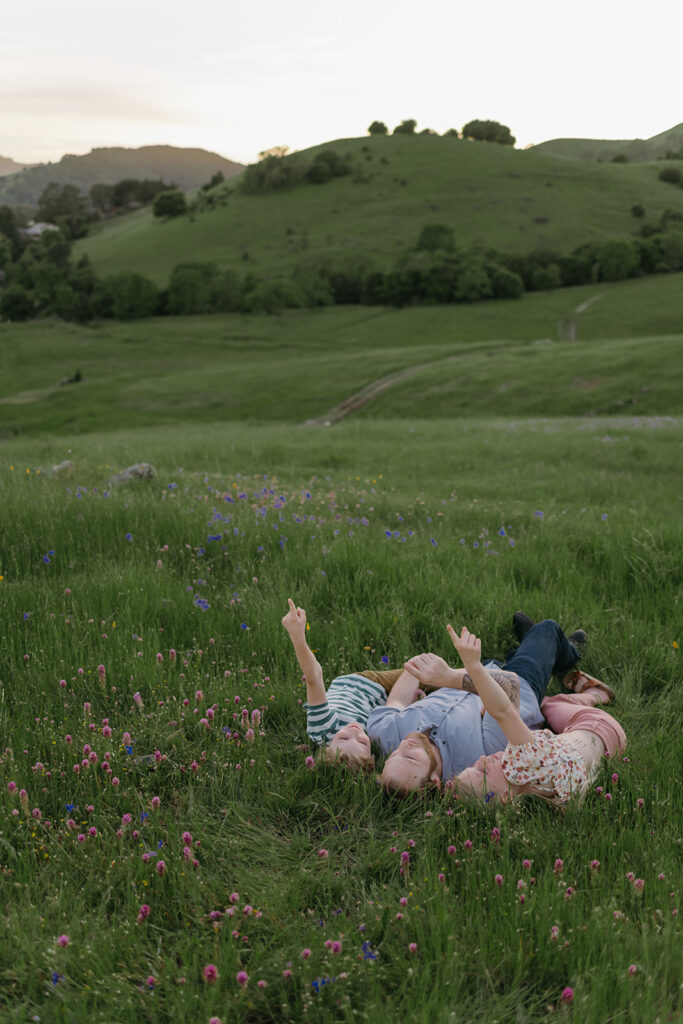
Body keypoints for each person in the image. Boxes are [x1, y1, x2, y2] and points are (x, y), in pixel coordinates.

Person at [281, 598, 521, 769]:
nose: (355, 733)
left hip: (366, 686)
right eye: (362, 744)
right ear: (371, 757)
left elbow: (314, 676)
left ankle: (490, 669)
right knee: (447, 688)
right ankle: (492, 670)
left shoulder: (322, 728)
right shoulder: (377, 749)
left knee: (432, 672)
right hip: (381, 704)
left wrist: (297, 636)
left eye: (343, 739)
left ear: (327, 744)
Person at [373, 617, 591, 793]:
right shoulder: (480, 759)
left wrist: (419, 665)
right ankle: (566, 651)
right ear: (434, 781)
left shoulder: (386, 734)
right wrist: (448, 677)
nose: (404, 745)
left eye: (393, 755)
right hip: (519, 683)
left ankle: (528, 645)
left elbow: (398, 700)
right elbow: (509, 685)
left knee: (502, 658)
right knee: (548, 629)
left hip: (473, 670)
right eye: (410, 757)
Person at [447, 625, 626, 806]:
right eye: (483, 772)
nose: (482, 759)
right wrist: (474, 667)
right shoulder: (524, 760)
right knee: (548, 705)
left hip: (613, 749)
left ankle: (533, 643)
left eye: (473, 765)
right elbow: (503, 710)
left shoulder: (545, 802)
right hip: (597, 724)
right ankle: (596, 694)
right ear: (505, 797)